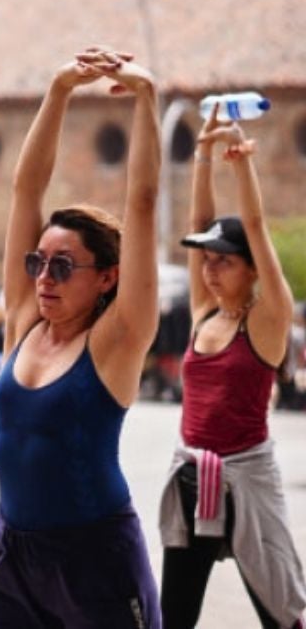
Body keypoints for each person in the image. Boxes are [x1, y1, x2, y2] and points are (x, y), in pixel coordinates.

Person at [0, 47, 162, 627]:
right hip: (14, 553)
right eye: (40, 262)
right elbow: (23, 192)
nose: (43, 277)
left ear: (108, 276)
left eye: (64, 266)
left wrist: (145, 100)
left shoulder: (118, 340)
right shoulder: (24, 320)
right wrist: (59, 90)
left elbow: (142, 203)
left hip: (94, 559)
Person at [157, 105, 306, 628]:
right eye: (207, 261)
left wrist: (240, 164)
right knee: (173, 616)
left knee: (281, 613)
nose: (210, 268)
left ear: (250, 269)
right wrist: (200, 154)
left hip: (247, 478)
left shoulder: (266, 323)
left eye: (223, 260)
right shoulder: (203, 312)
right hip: (194, 476)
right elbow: (198, 226)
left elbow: (258, 228)